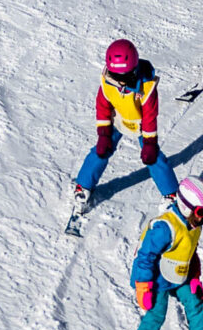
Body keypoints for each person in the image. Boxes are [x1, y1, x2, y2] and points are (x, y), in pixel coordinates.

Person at [120, 176, 203, 330]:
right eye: (201, 212)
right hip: (154, 277)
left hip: (179, 273)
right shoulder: (165, 227)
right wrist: (143, 286)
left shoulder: (194, 224)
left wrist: (194, 276)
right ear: (186, 206)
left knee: (194, 299)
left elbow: (190, 252)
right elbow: (145, 256)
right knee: (156, 315)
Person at [70, 38, 178, 218]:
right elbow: (102, 106)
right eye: (116, 76)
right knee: (100, 151)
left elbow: (150, 116)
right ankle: (83, 185)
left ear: (134, 70)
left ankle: (171, 193)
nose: (119, 81)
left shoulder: (147, 87)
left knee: (154, 158)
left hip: (141, 125)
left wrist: (150, 143)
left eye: (124, 77)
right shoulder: (108, 82)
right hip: (119, 120)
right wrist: (104, 134)